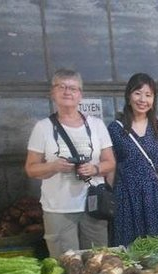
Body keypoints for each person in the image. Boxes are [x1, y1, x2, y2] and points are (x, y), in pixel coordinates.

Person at [25, 68, 115, 258]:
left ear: (80, 94)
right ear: (53, 92)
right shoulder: (42, 128)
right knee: (66, 262)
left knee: (97, 259)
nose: (67, 92)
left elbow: (111, 163)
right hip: (58, 208)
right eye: (62, 87)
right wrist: (53, 166)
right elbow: (31, 169)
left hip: (93, 206)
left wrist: (95, 168)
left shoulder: (96, 125)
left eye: (73, 88)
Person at [108, 73, 158, 246]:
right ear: (128, 96)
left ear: (153, 100)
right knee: (127, 244)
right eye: (138, 93)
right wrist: (110, 196)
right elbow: (110, 165)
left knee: (155, 246)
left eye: (148, 95)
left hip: (153, 196)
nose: (143, 99)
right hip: (125, 195)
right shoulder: (116, 128)